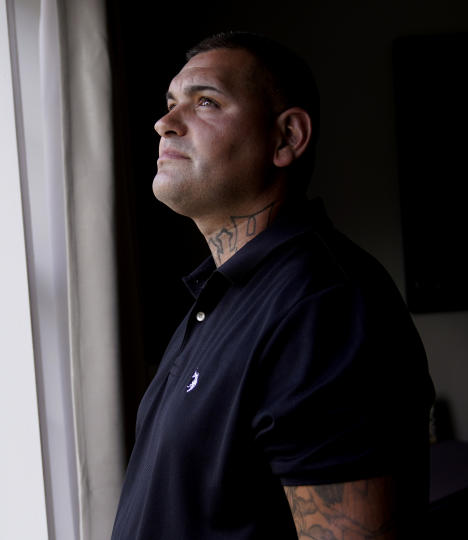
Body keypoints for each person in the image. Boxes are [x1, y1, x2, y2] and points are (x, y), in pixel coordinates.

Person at [111, 32, 434, 540]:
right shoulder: (225, 295)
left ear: (286, 138)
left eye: (206, 102)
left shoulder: (323, 306)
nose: (164, 123)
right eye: (170, 104)